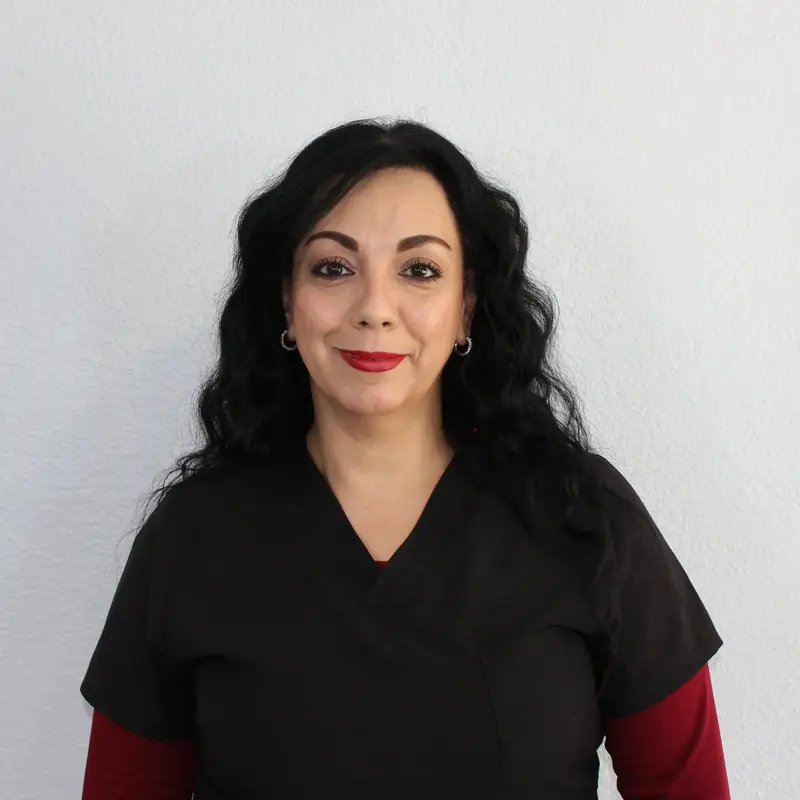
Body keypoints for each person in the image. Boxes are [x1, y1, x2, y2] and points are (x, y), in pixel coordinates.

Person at [79, 117, 730, 799]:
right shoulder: (193, 537)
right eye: (333, 268)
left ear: (466, 306)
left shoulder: (583, 518)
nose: (375, 308)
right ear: (285, 297)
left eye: (419, 270)